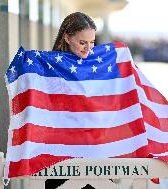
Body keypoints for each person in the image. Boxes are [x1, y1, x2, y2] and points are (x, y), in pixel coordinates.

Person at [45, 12, 97, 189]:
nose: (87, 49)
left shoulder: (96, 66)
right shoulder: (51, 68)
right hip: (60, 153)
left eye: (92, 43)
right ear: (67, 37)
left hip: (92, 151)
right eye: (82, 42)